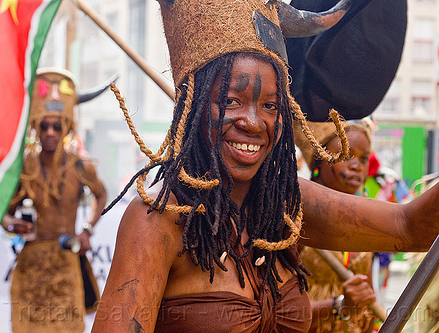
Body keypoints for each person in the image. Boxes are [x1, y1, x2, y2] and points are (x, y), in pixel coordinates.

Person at [91, 1, 439, 332]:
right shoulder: (156, 221)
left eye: (270, 105)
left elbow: (410, 228)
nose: (254, 122)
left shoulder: (286, 205)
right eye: (231, 101)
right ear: (192, 110)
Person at [1, 68, 108, 333]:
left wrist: (88, 230)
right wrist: (13, 224)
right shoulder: (26, 168)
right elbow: (3, 213)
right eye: (44, 126)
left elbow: (102, 194)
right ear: (36, 127)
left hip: (67, 262)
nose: (50, 132)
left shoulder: (81, 167)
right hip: (32, 264)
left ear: (66, 128)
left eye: (56, 126)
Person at [294, 119, 377, 332]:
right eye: (346, 155)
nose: (357, 165)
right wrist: (340, 306)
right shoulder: (295, 222)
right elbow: (277, 312)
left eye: (364, 158)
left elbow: (368, 300)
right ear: (319, 162)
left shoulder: (366, 223)